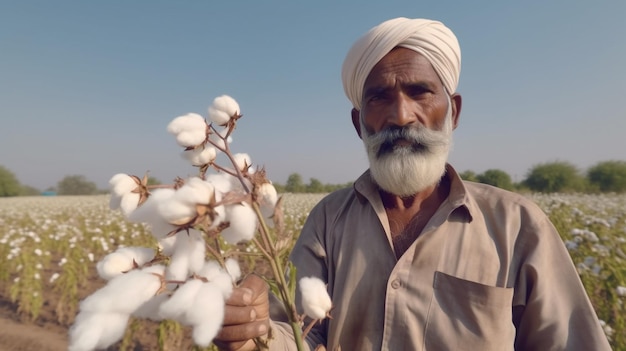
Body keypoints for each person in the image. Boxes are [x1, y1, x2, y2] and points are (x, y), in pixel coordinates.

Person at [213, 17, 612, 351]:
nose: (401, 116)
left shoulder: (517, 224)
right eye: (380, 99)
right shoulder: (329, 219)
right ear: (359, 124)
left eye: (420, 92)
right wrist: (254, 333)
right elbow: (305, 331)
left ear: (452, 112)